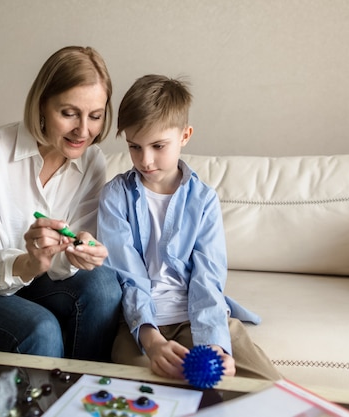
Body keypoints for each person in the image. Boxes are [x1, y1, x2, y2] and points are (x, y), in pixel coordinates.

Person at [0, 46, 121, 362]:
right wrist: (29, 263)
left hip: (37, 280)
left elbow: (69, 256)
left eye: (95, 116)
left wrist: (79, 252)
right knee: (41, 329)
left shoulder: (92, 163)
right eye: (69, 113)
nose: (83, 131)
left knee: (103, 285)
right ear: (42, 104)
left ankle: (83, 400)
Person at [97, 74, 281, 380]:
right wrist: (151, 340)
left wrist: (214, 344)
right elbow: (126, 276)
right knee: (142, 392)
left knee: (270, 386)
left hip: (197, 316)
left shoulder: (204, 200)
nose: (146, 160)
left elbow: (208, 277)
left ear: (185, 135)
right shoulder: (114, 196)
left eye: (158, 145)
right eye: (134, 146)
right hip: (139, 324)